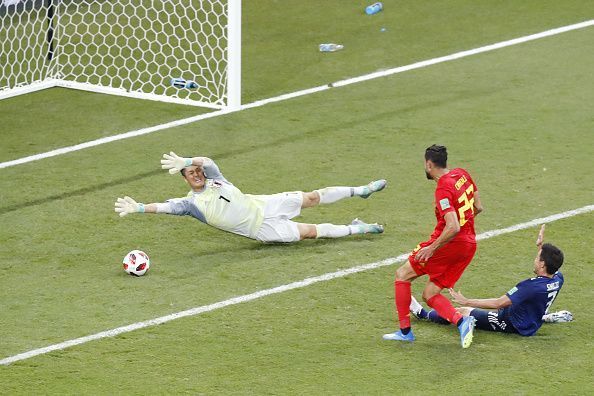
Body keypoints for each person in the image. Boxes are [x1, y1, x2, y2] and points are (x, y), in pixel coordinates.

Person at [114, 152, 386, 243]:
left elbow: (207, 160)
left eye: (197, 171)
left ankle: (361, 190)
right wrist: (138, 208)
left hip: (264, 203)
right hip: (262, 229)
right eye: (191, 173)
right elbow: (164, 207)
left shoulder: (216, 177)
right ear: (184, 180)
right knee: (312, 232)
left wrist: (187, 159)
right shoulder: (191, 204)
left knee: (313, 197)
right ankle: (359, 228)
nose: (197, 174)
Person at [383, 144, 483, 348]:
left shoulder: (443, 188)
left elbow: (453, 226)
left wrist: (432, 248)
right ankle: (462, 321)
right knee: (429, 294)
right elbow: (478, 207)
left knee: (402, 274)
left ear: (429, 164)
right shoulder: (462, 174)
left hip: (450, 244)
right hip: (469, 245)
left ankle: (405, 332)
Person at [410, 224, 570, 336]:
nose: (535, 260)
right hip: (530, 317)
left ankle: (423, 314)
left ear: (542, 264)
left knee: (462, 313)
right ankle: (542, 316)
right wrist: (540, 246)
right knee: (531, 304)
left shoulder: (530, 286)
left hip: (512, 323)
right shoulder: (557, 277)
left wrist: (466, 301)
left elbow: (498, 303)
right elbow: (552, 264)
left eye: (537, 258)